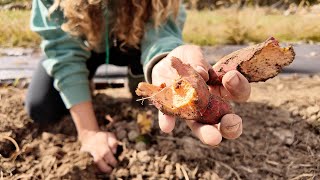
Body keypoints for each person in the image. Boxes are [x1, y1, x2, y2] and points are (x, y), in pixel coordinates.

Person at [26, 0, 251, 173]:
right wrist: (88, 132)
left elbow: (162, 34)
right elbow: (63, 53)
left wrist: (162, 61)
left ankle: (138, 72)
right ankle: (85, 82)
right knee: (41, 107)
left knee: (142, 102)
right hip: (83, 45)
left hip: (136, 43)